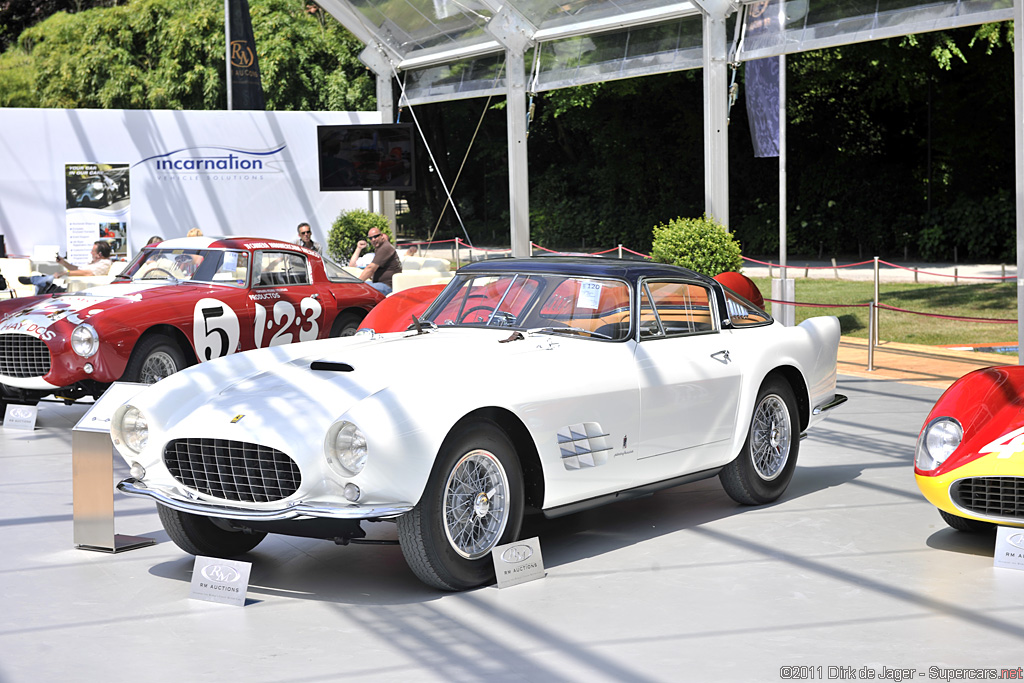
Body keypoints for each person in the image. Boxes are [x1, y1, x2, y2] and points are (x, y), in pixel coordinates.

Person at [20, 241, 113, 294]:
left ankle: (34, 280)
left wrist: (65, 272)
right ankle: (37, 280)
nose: (91, 253)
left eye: (93, 251)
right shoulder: (94, 262)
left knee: (43, 286)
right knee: (41, 287)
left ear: (99, 254)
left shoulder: (104, 263)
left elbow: (87, 273)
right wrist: (63, 263)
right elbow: (77, 269)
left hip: (79, 290)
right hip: (71, 287)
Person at [350, 228, 402, 295]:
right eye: (370, 238)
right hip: (379, 283)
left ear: (381, 236)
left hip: (387, 286)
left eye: (375, 236)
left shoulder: (385, 248)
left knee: (357, 289)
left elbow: (371, 268)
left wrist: (357, 283)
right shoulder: (380, 248)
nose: (373, 239)